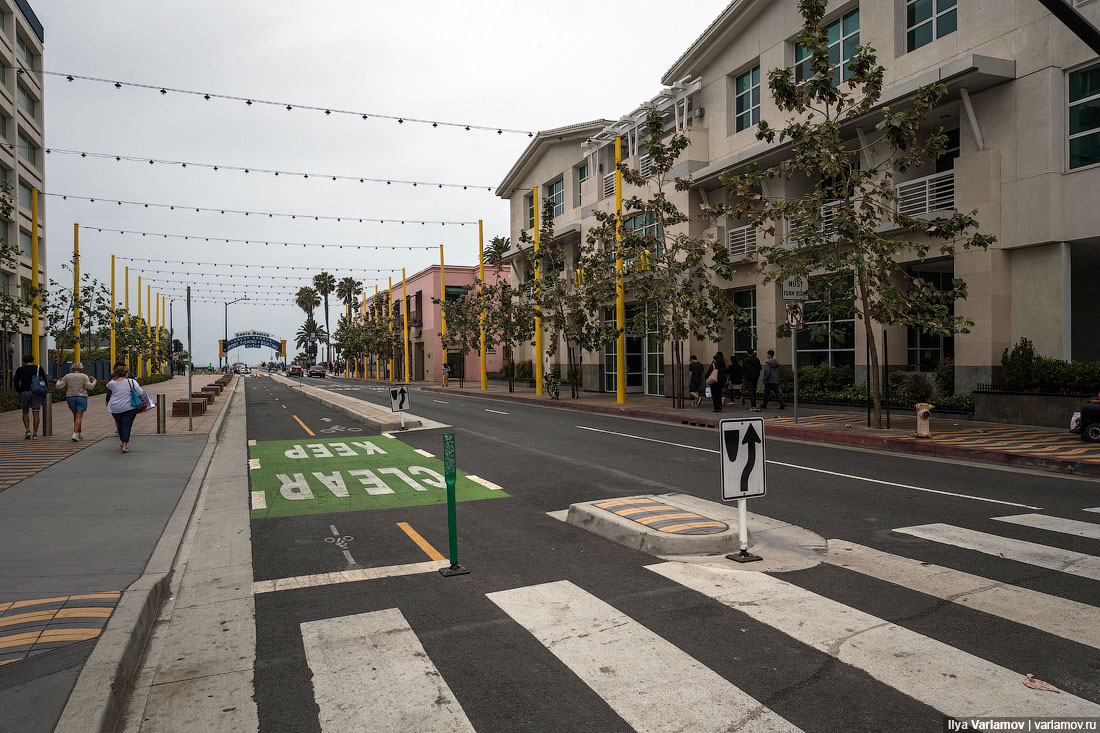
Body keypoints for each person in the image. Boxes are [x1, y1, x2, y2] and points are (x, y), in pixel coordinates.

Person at [105, 364, 148, 453]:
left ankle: (122, 441)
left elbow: (108, 386)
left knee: (120, 426)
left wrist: (115, 378)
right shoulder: (132, 382)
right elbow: (140, 392)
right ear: (126, 374)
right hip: (129, 407)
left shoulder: (112, 383)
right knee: (127, 426)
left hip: (115, 408)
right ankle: (124, 445)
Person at [57, 363, 96, 441]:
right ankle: (75, 433)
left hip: (70, 397)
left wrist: (58, 381)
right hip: (81, 397)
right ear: (81, 368)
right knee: (79, 416)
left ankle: (80, 432)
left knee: (76, 415)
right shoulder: (84, 376)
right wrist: (94, 381)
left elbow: (59, 386)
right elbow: (90, 387)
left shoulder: (67, 376)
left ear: (72, 368)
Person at [12, 353, 47, 440]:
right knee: (36, 412)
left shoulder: (20, 369)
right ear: (33, 360)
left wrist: (19, 391)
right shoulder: (38, 368)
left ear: (24, 361)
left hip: (25, 392)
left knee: (25, 412)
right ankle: (35, 434)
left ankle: (28, 431)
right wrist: (44, 392)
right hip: (36, 392)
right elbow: (45, 381)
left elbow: (16, 381)